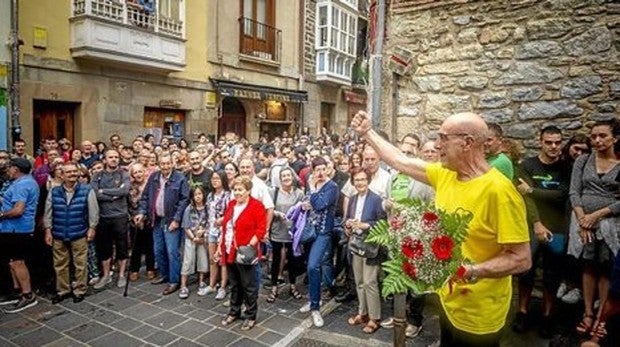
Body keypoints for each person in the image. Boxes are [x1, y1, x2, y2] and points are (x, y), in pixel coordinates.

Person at [350, 111, 531, 346]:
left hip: (479, 315)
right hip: (448, 301)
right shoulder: (445, 174)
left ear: (467, 142)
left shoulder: (500, 192)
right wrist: (367, 132)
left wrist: (470, 271)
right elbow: (399, 161)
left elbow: (521, 259)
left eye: (443, 138)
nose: (437, 145)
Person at [513, 126, 571, 338]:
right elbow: (524, 198)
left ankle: (547, 316)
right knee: (526, 271)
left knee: (552, 275)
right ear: (541, 142)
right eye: (549, 142)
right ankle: (522, 312)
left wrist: (534, 190)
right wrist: (537, 223)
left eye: (557, 142)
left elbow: (563, 195)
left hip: (557, 228)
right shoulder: (527, 165)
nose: (554, 146)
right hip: (530, 227)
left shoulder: (567, 167)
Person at [568, 119, 620, 336]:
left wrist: (597, 215)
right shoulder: (583, 160)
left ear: (615, 138)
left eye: (602, 136)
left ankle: (601, 318)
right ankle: (588, 312)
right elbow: (574, 192)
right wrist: (583, 219)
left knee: (606, 268)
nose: (597, 140)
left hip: (609, 224)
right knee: (588, 265)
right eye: (593, 136)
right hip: (583, 223)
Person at [44, 162, 99, 304]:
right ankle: (63, 290)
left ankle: (80, 290)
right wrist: (48, 230)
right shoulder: (54, 191)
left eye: (75, 171)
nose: (72, 174)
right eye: (68, 172)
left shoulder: (87, 190)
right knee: (60, 264)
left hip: (79, 232)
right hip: (58, 232)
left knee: (80, 263)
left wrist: (92, 228)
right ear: (62, 175)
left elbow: (94, 211)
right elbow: (48, 212)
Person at [217, 176, 267, 331]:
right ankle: (234, 311)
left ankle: (251, 315)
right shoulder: (231, 204)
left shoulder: (256, 206)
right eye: (235, 190)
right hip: (229, 250)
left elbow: (261, 228)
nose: (237, 193)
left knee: (249, 286)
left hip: (245, 253)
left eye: (240, 190)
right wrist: (220, 246)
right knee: (235, 284)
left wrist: (249, 246)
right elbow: (226, 228)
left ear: (248, 191)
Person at [135, 154, 190, 295]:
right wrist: (141, 212)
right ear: (159, 164)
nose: (165, 166)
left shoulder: (180, 178)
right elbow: (145, 197)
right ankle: (164, 274)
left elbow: (184, 200)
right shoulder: (154, 177)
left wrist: (177, 219)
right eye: (162, 164)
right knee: (158, 249)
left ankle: (174, 281)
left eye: (167, 163)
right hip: (156, 219)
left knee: (172, 252)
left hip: (171, 219)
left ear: (172, 163)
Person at [344, 167, 387, 334]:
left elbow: (383, 223)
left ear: (368, 180)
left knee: (370, 282)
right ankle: (362, 313)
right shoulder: (353, 199)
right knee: (359, 281)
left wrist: (365, 225)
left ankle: (374, 318)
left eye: (362, 179)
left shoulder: (376, 199)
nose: (360, 182)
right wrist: (348, 225)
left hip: (371, 246)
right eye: (357, 180)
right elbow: (347, 218)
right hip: (356, 245)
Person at [299, 157, 340, 328]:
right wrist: (304, 205)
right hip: (310, 231)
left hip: (323, 232)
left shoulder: (333, 187)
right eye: (318, 170)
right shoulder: (312, 184)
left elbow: (321, 204)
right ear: (313, 170)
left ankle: (315, 307)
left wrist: (313, 191)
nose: (321, 173)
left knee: (313, 266)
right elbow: (309, 203)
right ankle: (315, 298)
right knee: (313, 265)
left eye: (324, 169)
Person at [0, 158, 40, 313]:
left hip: (17, 229)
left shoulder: (22, 184)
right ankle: (17, 291)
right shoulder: (25, 182)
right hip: (12, 229)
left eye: (9, 168)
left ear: (15, 169)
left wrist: (2, 214)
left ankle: (27, 295)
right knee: (12, 262)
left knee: (18, 262)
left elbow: (18, 210)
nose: (7, 171)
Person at [91, 150, 131, 289]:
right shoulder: (97, 176)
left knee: (122, 247)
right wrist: (113, 195)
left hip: (120, 216)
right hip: (103, 217)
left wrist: (104, 191)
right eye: (111, 157)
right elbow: (94, 193)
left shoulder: (124, 174)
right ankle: (106, 275)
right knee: (104, 248)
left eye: (116, 157)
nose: (114, 159)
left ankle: (121, 275)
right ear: (105, 159)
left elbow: (124, 191)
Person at [266, 167, 305, 303]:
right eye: (284, 176)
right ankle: (274, 287)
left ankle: (293, 286)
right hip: (277, 230)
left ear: (292, 177)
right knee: (276, 260)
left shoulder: (299, 193)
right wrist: (277, 214)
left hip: (294, 232)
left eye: (289, 175)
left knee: (293, 260)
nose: (286, 178)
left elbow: (302, 212)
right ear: (280, 178)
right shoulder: (274, 192)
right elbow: (269, 209)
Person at [179, 186, 209, 299]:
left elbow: (209, 223)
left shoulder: (207, 208)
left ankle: (201, 281)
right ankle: (183, 285)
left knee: (202, 259)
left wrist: (203, 233)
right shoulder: (189, 209)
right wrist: (193, 238)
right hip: (190, 237)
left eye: (200, 194)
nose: (198, 197)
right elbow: (186, 227)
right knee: (188, 260)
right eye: (195, 194)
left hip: (202, 238)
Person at [127, 163, 156, 282]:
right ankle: (134, 269)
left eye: (140, 171)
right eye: (135, 172)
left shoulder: (151, 185)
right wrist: (132, 217)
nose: (138, 174)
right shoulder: (129, 187)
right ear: (132, 174)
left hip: (149, 220)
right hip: (134, 221)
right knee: (136, 247)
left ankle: (150, 268)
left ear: (145, 172)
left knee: (150, 245)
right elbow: (127, 204)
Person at [205, 170, 231, 300]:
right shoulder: (210, 196)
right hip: (211, 230)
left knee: (223, 260)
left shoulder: (228, 195)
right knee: (212, 259)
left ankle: (222, 287)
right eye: (213, 178)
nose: (215, 181)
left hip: (223, 231)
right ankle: (211, 284)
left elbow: (230, 213)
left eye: (217, 178)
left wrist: (222, 220)